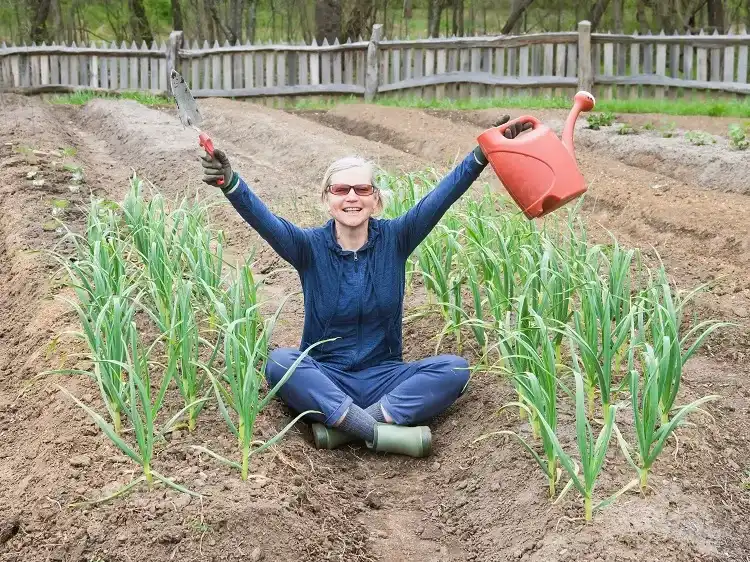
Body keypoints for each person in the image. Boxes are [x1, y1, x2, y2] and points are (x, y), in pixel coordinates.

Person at [201, 115, 530, 458]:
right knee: (281, 363)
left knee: (456, 369)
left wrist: (481, 154)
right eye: (341, 190)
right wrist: (231, 183)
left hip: (385, 379)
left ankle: (346, 429)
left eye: (362, 189)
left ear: (376, 199)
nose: (352, 197)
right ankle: (379, 431)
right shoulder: (307, 246)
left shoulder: (397, 238)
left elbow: (441, 197)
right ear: (327, 199)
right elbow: (263, 219)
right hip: (326, 378)